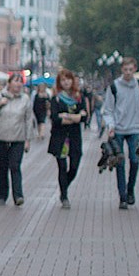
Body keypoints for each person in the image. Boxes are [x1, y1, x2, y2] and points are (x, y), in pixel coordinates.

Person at [102, 57, 139, 209]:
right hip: (119, 129)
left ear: (135, 69)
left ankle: (130, 189)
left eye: (131, 69)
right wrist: (110, 125)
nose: (128, 72)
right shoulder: (114, 86)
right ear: (122, 69)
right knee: (120, 163)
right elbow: (108, 109)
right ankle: (122, 197)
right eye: (125, 69)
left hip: (135, 128)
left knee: (135, 160)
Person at [0, 73, 36, 206]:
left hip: (17, 138)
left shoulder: (25, 99)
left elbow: (29, 120)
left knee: (15, 166)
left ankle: (18, 195)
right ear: (9, 83)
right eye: (15, 81)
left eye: (20, 82)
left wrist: (28, 139)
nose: (18, 85)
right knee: (3, 166)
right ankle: (2, 195)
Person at [47, 69, 87, 209]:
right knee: (62, 167)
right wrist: (75, 117)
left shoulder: (78, 97)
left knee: (74, 166)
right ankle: (64, 196)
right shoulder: (56, 98)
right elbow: (55, 119)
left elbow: (85, 116)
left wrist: (67, 116)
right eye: (63, 80)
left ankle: (64, 186)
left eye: (68, 79)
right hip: (61, 138)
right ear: (59, 82)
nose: (66, 82)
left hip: (75, 137)